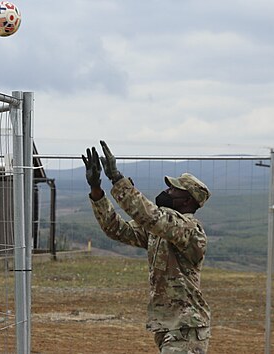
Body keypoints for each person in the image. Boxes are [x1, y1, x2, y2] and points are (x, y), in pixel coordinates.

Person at [82, 141, 212, 353]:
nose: (167, 191)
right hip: (167, 326)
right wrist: (96, 189)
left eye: (174, 189)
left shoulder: (189, 229)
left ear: (188, 201)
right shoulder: (160, 230)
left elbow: (151, 216)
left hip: (186, 327)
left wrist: (116, 178)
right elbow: (116, 229)